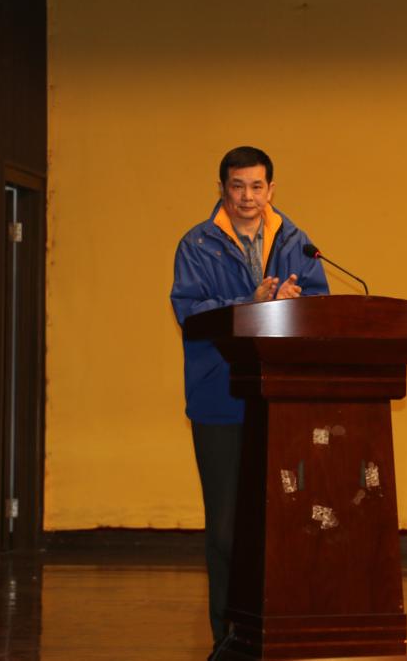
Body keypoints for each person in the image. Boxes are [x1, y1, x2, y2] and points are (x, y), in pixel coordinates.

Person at [170, 146, 329, 657]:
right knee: (225, 531)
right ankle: (228, 639)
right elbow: (192, 316)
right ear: (222, 189)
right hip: (219, 398)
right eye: (237, 186)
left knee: (283, 524)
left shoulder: (296, 242)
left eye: (256, 186)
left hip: (282, 402)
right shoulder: (197, 244)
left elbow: (322, 308)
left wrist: (295, 306)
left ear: (271, 189)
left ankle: (279, 633)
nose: (247, 197)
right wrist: (251, 304)